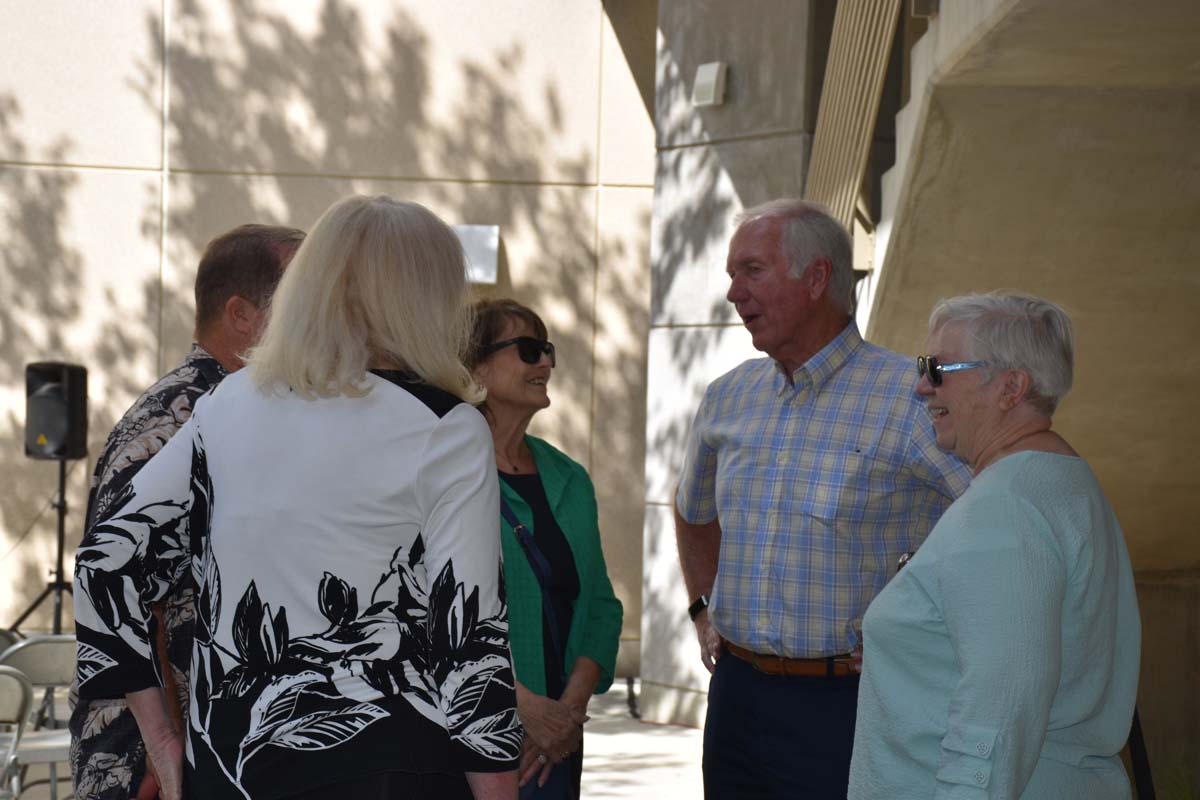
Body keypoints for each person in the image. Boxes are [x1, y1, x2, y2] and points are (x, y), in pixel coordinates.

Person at [73, 195, 521, 800]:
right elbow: (471, 642)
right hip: (392, 768)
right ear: (425, 297)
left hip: (232, 771)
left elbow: (107, 566)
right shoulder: (443, 426)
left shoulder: (227, 404)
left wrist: (163, 741)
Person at [674, 198, 973, 797]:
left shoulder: (914, 394)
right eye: (732, 274)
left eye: (752, 271)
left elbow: (991, 524)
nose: (734, 293)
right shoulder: (727, 396)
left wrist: (930, 633)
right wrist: (703, 609)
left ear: (816, 279)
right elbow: (693, 511)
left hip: (852, 704)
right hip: (735, 697)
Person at [848, 292, 1141, 799]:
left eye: (938, 369)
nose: (921, 386)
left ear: (1011, 387)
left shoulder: (1005, 508)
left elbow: (1000, 715)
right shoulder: (1060, 481)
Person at [69, 223, 304, 800]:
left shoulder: (236, 406)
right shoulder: (179, 416)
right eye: (302, 294)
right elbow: (117, 584)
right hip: (152, 764)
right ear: (242, 315)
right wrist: (163, 747)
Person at [467, 298, 622, 800]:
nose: (547, 363)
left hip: (555, 749)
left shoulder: (569, 479)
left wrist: (565, 715)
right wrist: (521, 706)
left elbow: (600, 607)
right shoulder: (444, 474)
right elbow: (423, 610)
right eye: (529, 350)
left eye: (548, 350)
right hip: (473, 739)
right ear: (475, 366)